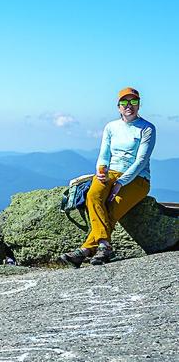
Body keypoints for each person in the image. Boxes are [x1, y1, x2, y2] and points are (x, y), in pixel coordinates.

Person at [60, 87, 156, 268]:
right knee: (93, 195)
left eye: (133, 102)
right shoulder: (111, 127)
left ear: (139, 105)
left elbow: (141, 161)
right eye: (124, 102)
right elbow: (104, 154)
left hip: (138, 178)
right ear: (118, 106)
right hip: (110, 172)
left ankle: (85, 251)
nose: (129, 106)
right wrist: (100, 170)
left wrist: (121, 182)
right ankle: (104, 245)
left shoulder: (147, 128)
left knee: (112, 207)